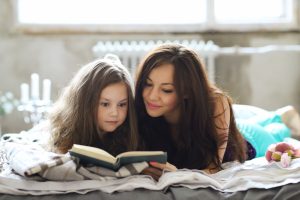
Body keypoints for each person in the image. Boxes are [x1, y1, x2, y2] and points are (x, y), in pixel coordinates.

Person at [134, 43, 300, 177]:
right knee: (247, 120)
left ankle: (283, 116)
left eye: (166, 90)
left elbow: (213, 170)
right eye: (148, 84)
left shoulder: (215, 102)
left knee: (277, 132)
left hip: (252, 140)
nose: (152, 96)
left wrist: (176, 174)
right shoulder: (144, 110)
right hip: (229, 128)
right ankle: (278, 115)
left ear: (186, 91)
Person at [48, 54, 139, 156]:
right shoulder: (67, 133)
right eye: (105, 104)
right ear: (85, 103)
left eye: (122, 104)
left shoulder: (129, 133)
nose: (115, 113)